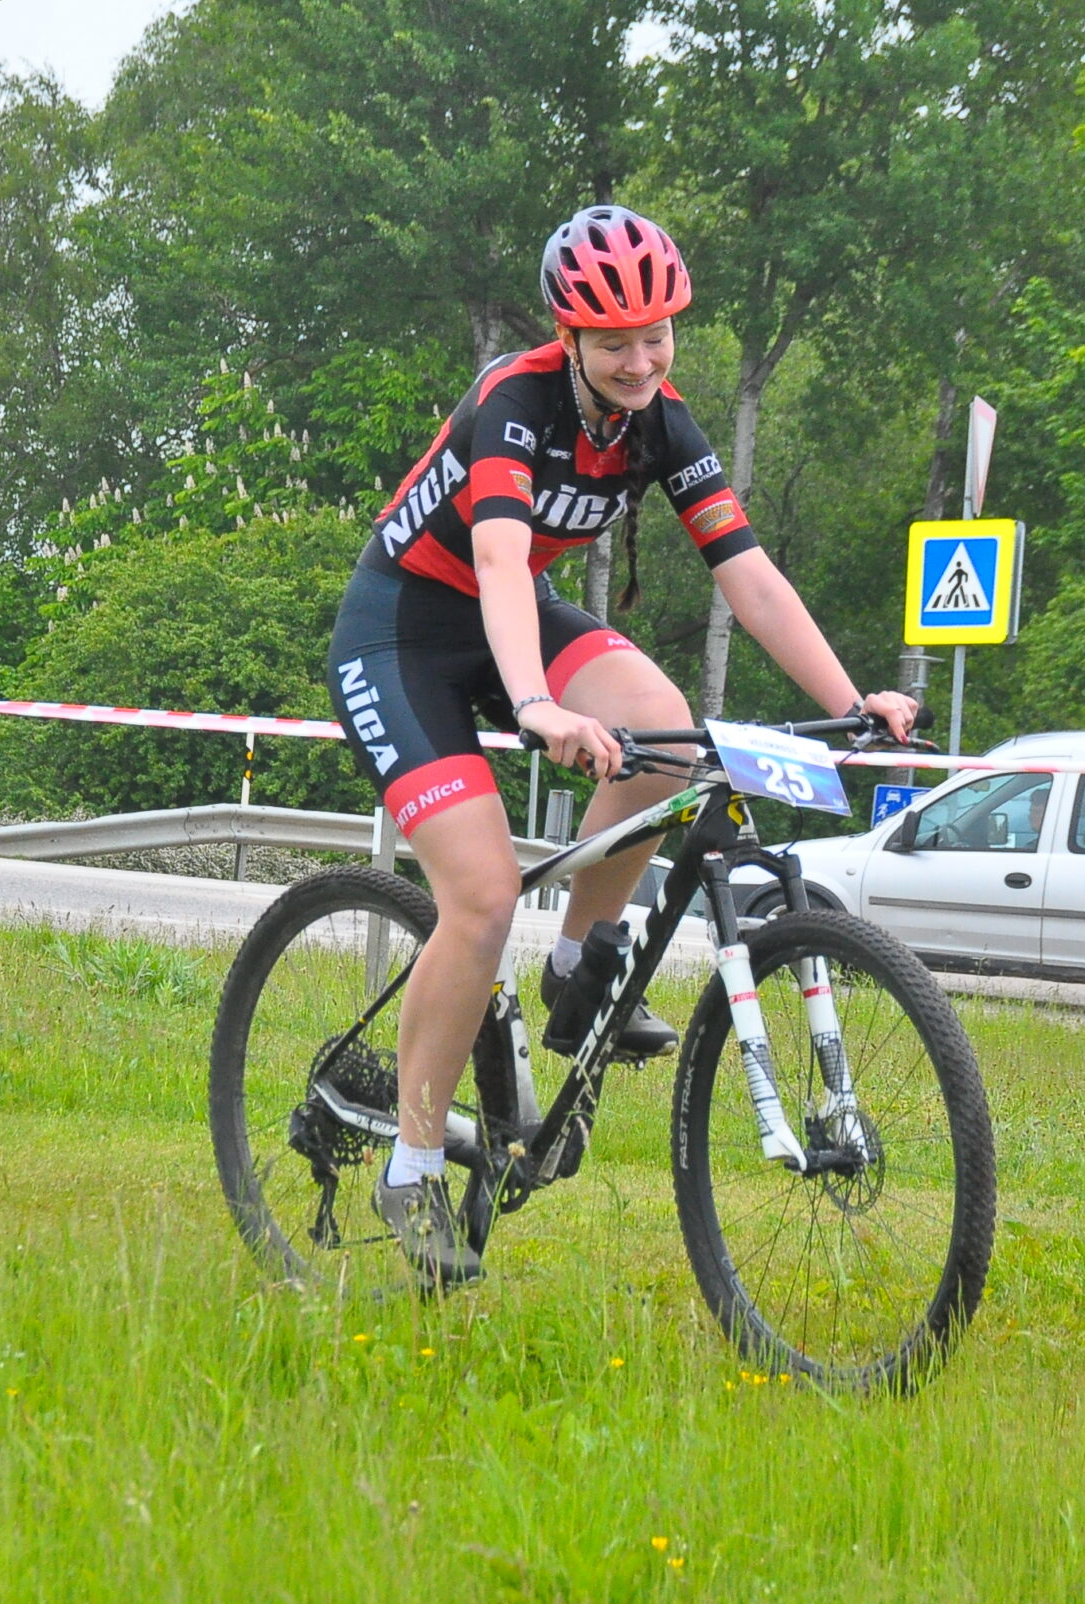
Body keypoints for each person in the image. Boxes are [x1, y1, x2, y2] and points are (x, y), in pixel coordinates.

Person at [326, 205, 917, 1288]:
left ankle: (575, 965)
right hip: (402, 633)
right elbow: (498, 565)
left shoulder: (660, 422)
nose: (641, 361)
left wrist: (853, 698)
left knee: (666, 733)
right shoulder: (514, 403)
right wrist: (536, 705)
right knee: (481, 897)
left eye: (657, 335)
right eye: (614, 343)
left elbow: (748, 574)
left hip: (512, 618)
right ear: (569, 337)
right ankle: (410, 1167)